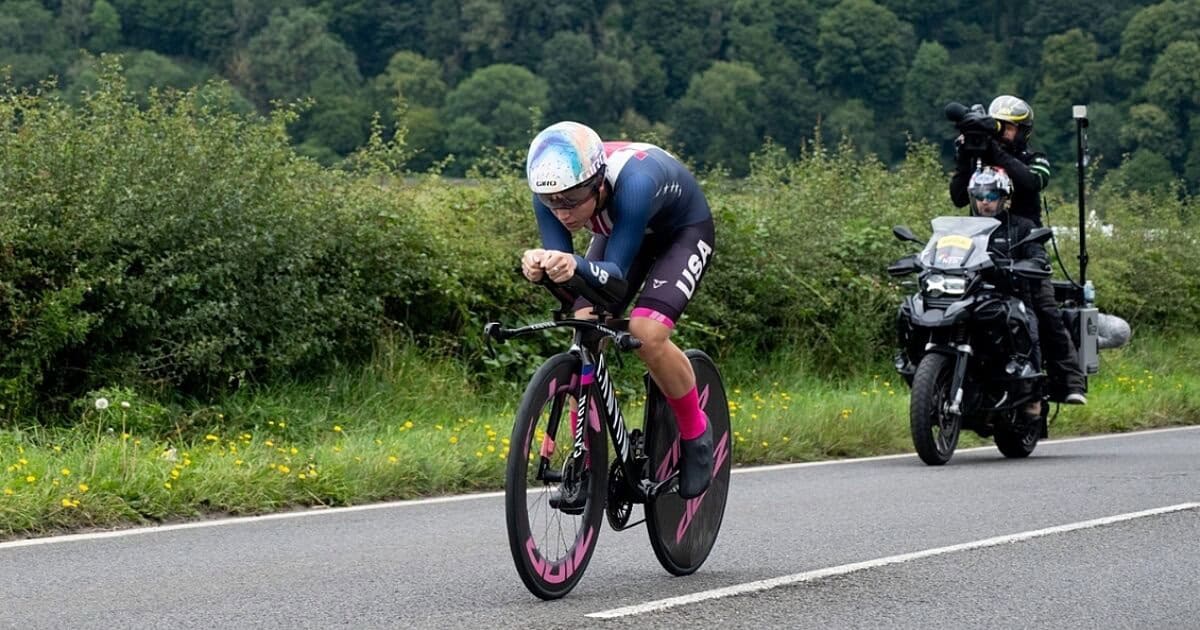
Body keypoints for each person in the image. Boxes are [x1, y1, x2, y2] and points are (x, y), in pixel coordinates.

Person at [521, 121, 716, 499]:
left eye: (574, 198)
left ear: (598, 182)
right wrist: (542, 268)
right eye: (553, 202)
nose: (562, 212)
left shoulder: (634, 186)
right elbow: (570, 282)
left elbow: (616, 281)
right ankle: (586, 458)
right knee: (584, 322)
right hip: (624, 231)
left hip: (682, 231)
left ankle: (696, 433)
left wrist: (573, 265)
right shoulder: (549, 194)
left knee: (646, 333)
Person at [949, 96, 1087, 405]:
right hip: (980, 238)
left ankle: (1071, 381)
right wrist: (964, 159)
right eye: (997, 127)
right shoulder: (979, 156)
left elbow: (1030, 182)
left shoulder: (1033, 157)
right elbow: (959, 198)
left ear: (1023, 131)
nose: (1001, 133)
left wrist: (994, 151)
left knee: (1045, 309)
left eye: (1008, 128)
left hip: (1024, 240)